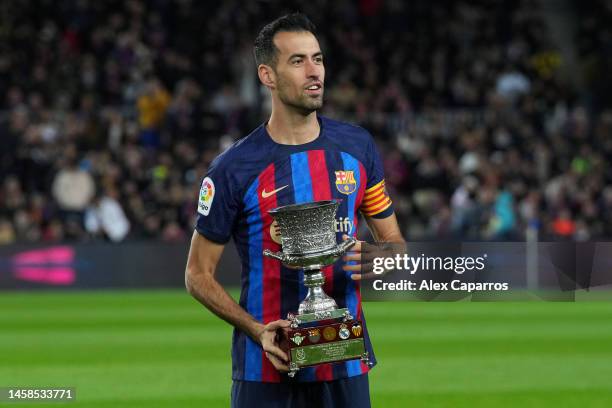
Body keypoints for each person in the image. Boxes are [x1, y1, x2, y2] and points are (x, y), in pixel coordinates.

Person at [185, 13, 404, 408]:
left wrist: (383, 259)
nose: (314, 71)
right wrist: (255, 329)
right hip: (265, 368)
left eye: (317, 59)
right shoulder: (234, 169)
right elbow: (197, 274)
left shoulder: (358, 148)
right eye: (298, 61)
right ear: (267, 75)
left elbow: (395, 244)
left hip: (346, 363)